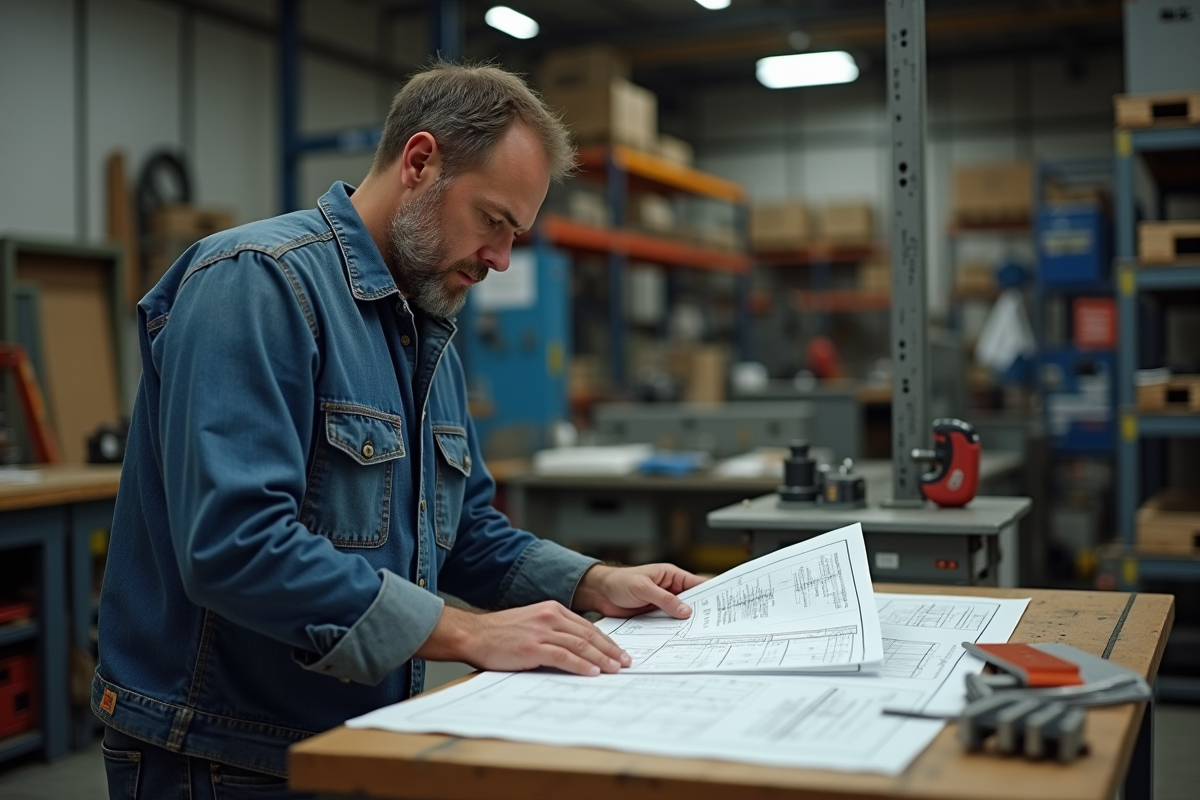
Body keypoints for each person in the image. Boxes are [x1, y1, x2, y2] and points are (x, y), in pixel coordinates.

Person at [93, 62, 703, 799]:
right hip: (223, 756)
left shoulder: (425, 324)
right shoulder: (257, 283)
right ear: (419, 163)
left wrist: (595, 582)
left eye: (516, 233)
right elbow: (236, 544)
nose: (501, 258)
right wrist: (468, 633)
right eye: (494, 220)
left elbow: (462, 531)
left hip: (354, 737)